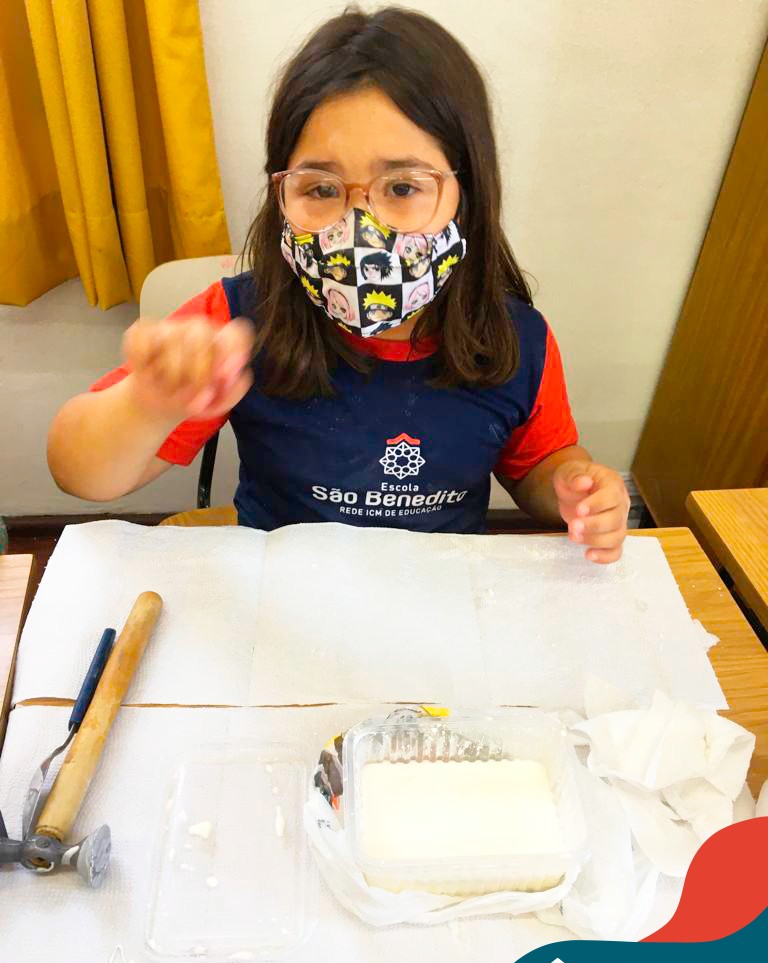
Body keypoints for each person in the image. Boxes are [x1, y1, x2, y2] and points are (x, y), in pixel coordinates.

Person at [47, 6, 629, 562]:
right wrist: (146, 405)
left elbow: (538, 467)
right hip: (283, 587)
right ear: (282, 193)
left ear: (466, 192)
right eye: (322, 189)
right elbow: (80, 474)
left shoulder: (515, 338)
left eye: (402, 187)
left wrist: (572, 488)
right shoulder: (238, 321)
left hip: (442, 590)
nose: (360, 229)